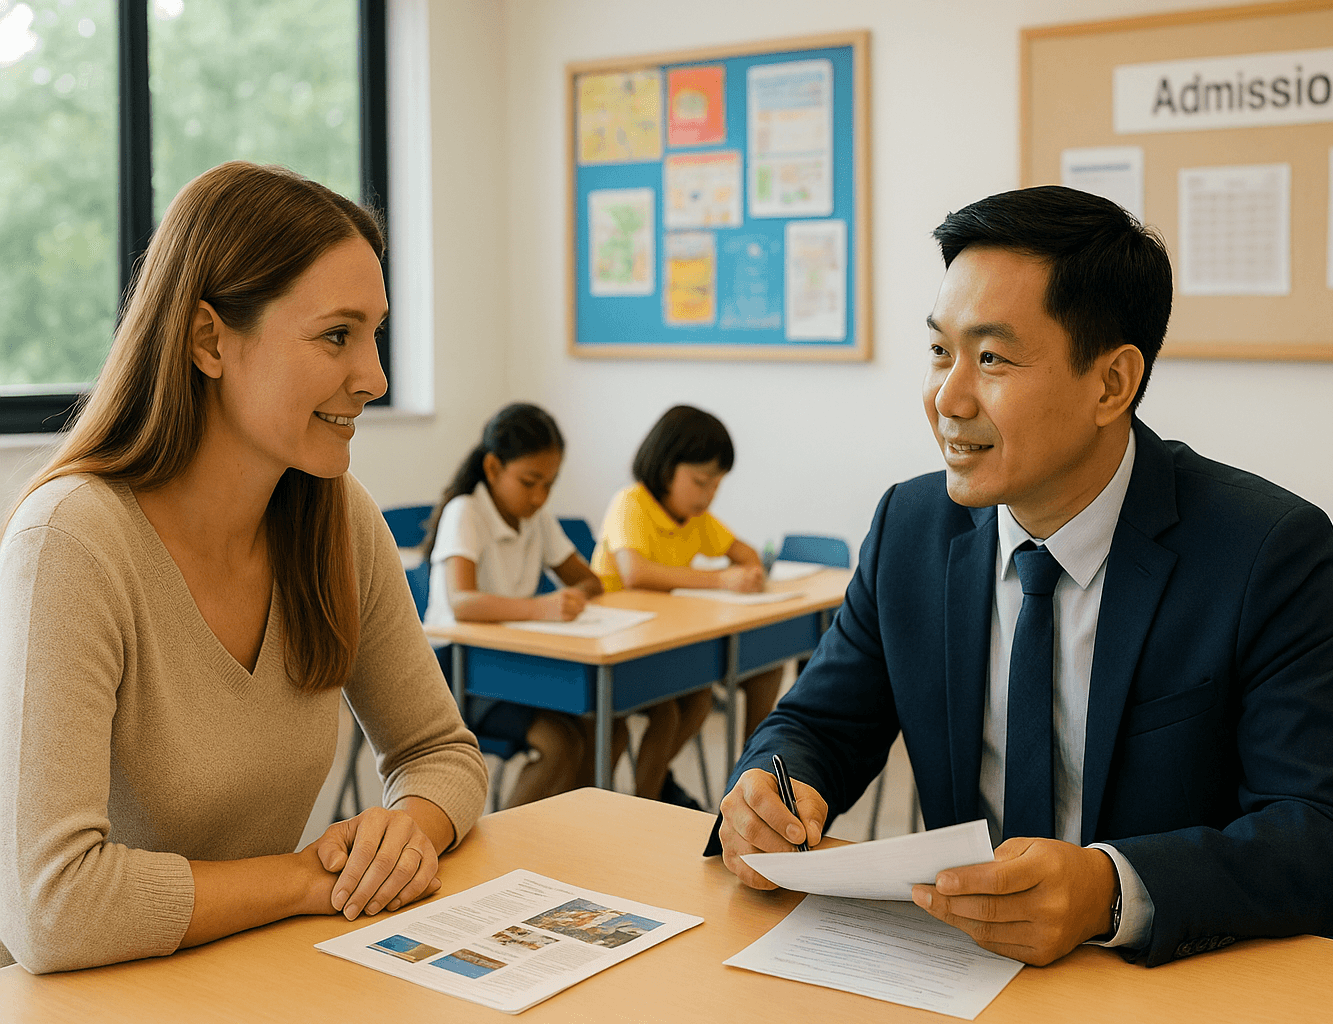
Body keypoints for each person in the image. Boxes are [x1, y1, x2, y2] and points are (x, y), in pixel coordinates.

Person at [709, 186, 1333, 968]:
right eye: (940, 351)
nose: (946, 398)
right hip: (961, 974)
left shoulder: (1260, 549)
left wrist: (1109, 888)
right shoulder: (911, 528)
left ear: (1111, 384)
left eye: (992, 358)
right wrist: (769, 789)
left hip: (1158, 983)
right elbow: (818, 727)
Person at [0, 162, 489, 974]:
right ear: (208, 340)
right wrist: (303, 879)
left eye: (375, 334)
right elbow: (51, 909)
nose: (375, 377)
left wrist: (411, 828)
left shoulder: (339, 521)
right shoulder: (73, 543)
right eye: (338, 335)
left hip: (245, 972)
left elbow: (440, 751)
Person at [421, 401, 621, 806]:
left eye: (549, 483)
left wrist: (575, 597)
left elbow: (589, 580)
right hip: (458, 673)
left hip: (518, 664)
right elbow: (463, 603)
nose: (539, 496)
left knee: (607, 728)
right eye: (530, 482)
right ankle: (510, 852)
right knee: (560, 744)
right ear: (493, 469)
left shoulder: (536, 518)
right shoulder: (466, 512)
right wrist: (543, 607)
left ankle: (568, 833)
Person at [590, 405, 783, 805]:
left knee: (698, 701)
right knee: (671, 712)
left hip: (661, 643)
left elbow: (745, 553)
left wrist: (750, 571)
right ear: (665, 467)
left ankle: (653, 792)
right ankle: (641, 801)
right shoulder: (631, 503)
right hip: (614, 647)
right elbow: (635, 573)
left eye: (717, 485)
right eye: (700, 482)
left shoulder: (695, 518)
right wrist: (722, 579)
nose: (708, 495)